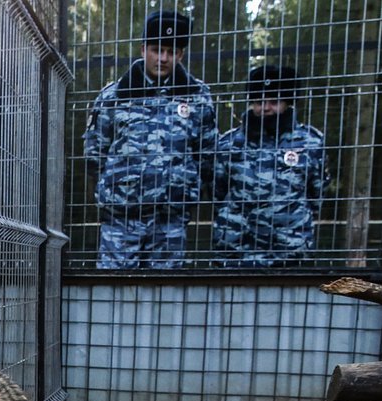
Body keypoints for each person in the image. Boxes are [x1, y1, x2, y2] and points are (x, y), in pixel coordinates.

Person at [83, 10, 217, 269]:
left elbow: (207, 153)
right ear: (144, 50)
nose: (163, 58)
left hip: (170, 219)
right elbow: (94, 152)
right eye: (157, 50)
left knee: (164, 297)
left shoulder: (197, 96)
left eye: (171, 51)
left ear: (180, 54)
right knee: (113, 294)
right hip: (121, 218)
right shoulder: (114, 96)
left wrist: (185, 188)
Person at [212, 65, 329, 268]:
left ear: (288, 103)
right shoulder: (229, 143)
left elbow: (316, 194)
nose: (265, 107)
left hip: (289, 251)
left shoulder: (311, 142)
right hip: (237, 252)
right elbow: (217, 191)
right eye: (259, 101)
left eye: (274, 101)